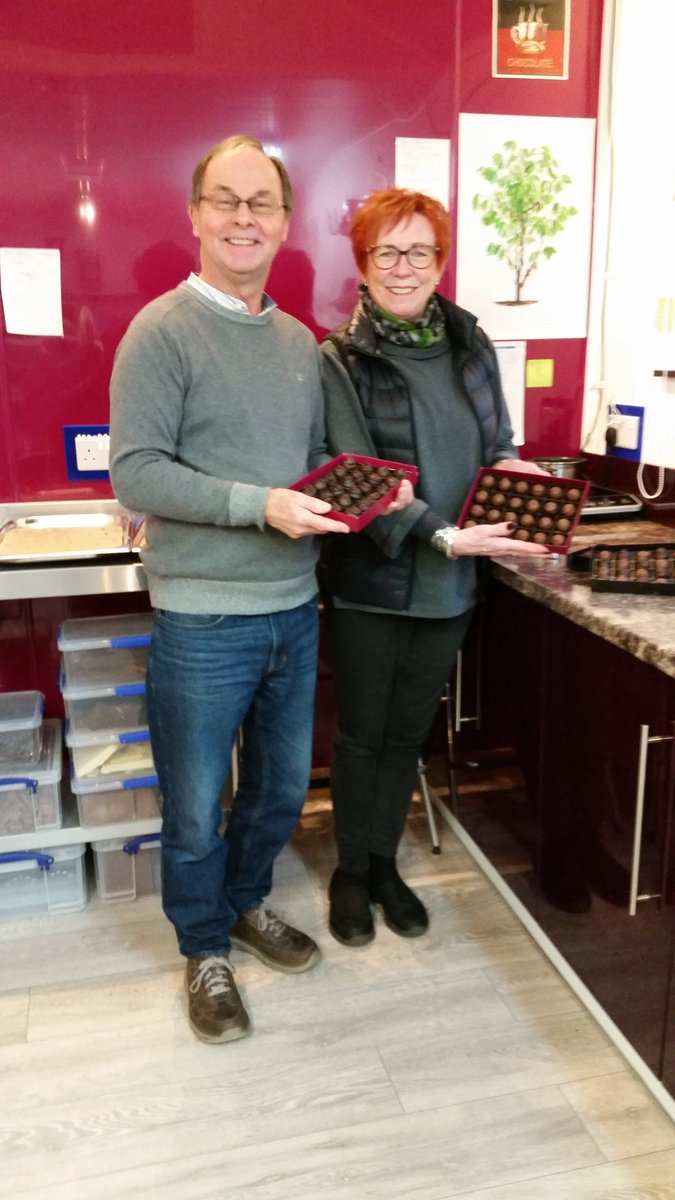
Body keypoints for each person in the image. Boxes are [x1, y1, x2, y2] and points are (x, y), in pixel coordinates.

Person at [109, 136, 371, 1045]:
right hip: (202, 617)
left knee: (278, 791)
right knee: (192, 805)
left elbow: (304, 469)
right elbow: (138, 473)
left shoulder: (300, 342)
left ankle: (247, 903)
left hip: (293, 612)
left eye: (260, 202)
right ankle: (203, 947)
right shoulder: (160, 331)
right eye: (225, 200)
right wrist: (259, 505)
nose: (243, 218)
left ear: (285, 221)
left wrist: (365, 491)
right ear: (195, 215)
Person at [320, 187, 551, 947]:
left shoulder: (469, 343)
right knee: (363, 736)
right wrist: (444, 536)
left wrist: (523, 473)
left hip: (450, 589)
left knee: (406, 735)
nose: (402, 266)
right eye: (385, 251)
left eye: (418, 250)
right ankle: (350, 874)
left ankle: (383, 864)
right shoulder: (339, 358)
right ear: (363, 262)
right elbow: (359, 476)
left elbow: (496, 442)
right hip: (373, 583)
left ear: (440, 261)